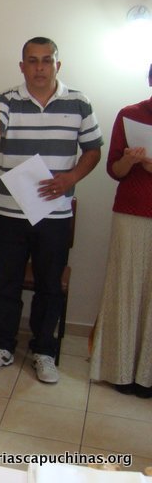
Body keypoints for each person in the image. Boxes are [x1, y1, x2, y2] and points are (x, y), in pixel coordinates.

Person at [0, 37, 102, 384]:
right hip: (9, 213)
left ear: (58, 65)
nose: (40, 67)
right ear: (22, 66)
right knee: (7, 282)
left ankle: (44, 351)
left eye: (47, 60)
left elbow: (93, 150)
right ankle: (2, 346)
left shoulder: (79, 102)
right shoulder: (6, 100)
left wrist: (71, 177)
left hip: (55, 214)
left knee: (49, 286)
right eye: (32, 61)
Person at [90, 63, 152, 398]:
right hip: (131, 211)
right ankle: (121, 370)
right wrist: (131, 161)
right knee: (125, 289)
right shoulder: (131, 115)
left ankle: (147, 375)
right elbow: (114, 169)